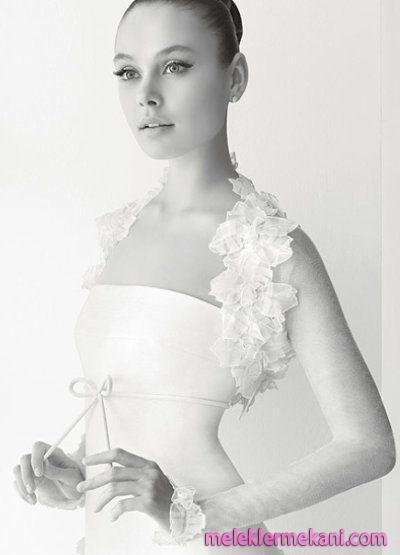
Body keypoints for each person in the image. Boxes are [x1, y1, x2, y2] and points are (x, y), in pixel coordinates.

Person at [13, 1, 396, 554]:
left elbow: (369, 445)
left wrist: (202, 514)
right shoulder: (123, 229)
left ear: (234, 77)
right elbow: (149, 417)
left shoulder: (274, 249)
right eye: (128, 71)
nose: (146, 95)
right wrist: (79, 477)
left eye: (175, 66)